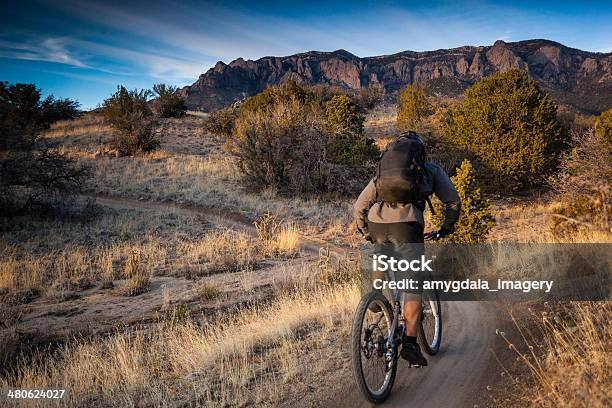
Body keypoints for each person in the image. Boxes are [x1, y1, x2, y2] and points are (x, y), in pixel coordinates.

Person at [354, 132, 461, 366]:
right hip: (407, 226)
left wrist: (366, 232)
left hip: (376, 223)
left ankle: (375, 296)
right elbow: (453, 200)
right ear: (420, 152)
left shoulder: (383, 171)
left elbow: (360, 206)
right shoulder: (429, 169)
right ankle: (411, 344)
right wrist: (446, 228)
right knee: (414, 282)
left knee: (382, 253)